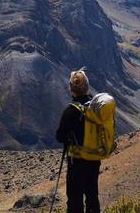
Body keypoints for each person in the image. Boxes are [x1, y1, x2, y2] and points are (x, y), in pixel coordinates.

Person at [55, 69, 101, 213]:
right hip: (94, 159)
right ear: (87, 86)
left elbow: (60, 137)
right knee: (92, 195)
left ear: (72, 88)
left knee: (75, 200)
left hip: (76, 162)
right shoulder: (96, 108)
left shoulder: (70, 111)